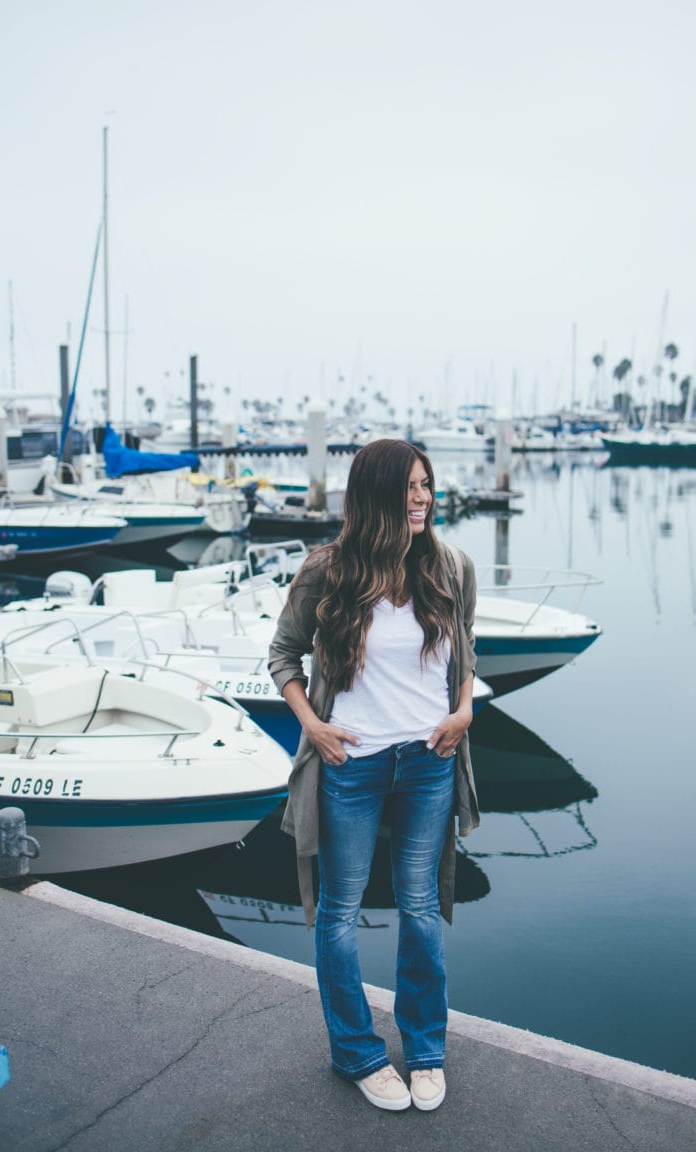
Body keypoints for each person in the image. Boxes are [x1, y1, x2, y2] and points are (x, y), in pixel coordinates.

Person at [268, 438, 479, 1112]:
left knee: (420, 910)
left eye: (427, 485)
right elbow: (283, 656)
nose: (422, 498)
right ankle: (356, 1053)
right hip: (349, 764)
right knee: (340, 915)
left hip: (429, 762)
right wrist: (313, 724)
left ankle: (424, 1049)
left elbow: (467, 650)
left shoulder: (450, 566)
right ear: (376, 495)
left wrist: (464, 710)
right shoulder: (327, 572)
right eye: (410, 487)